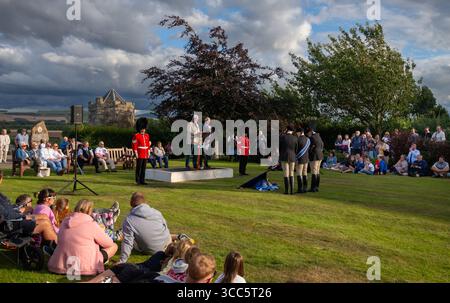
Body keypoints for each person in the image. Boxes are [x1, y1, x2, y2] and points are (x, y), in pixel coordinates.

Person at [48, 199, 118, 276]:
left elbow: (59, 239)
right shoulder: (91, 224)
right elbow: (108, 243)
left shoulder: (65, 221)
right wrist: (101, 231)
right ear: (89, 211)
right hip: (85, 268)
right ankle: (99, 262)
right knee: (114, 246)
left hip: (58, 265)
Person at [118, 192, 172, 264]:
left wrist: (122, 261)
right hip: (166, 244)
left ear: (131, 203)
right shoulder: (157, 212)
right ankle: (177, 236)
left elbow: (128, 242)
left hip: (149, 250)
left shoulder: (129, 220)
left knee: (129, 237)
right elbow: (165, 228)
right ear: (145, 202)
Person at [279, 125, 298, 195]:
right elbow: (296, 149)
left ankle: (287, 190)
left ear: (287, 129)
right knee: (292, 172)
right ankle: (292, 190)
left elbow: (279, 147)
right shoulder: (295, 138)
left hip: (284, 156)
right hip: (292, 156)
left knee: (286, 173)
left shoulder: (282, 137)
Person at [132, 118, 151, 185]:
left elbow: (148, 145)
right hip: (140, 153)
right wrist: (136, 153)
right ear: (139, 128)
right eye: (142, 128)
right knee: (139, 168)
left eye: (144, 128)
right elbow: (134, 145)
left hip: (145, 153)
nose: (143, 130)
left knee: (144, 168)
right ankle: (138, 180)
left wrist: (148, 152)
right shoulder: (136, 135)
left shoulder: (147, 135)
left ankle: (142, 180)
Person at [306, 127, 324, 192]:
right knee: (317, 171)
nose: (308, 135)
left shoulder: (312, 138)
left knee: (314, 170)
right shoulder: (318, 136)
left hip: (314, 156)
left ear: (310, 132)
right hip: (320, 155)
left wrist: (310, 152)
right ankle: (316, 187)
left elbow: (310, 147)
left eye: (308, 134)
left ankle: (313, 188)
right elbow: (322, 144)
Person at [295, 127, 310, 194]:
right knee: (305, 172)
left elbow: (295, 150)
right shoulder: (308, 139)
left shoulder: (298, 139)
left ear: (299, 132)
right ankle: (305, 188)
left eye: (297, 132)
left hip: (300, 158)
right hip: (306, 158)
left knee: (299, 173)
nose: (296, 134)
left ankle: (300, 189)